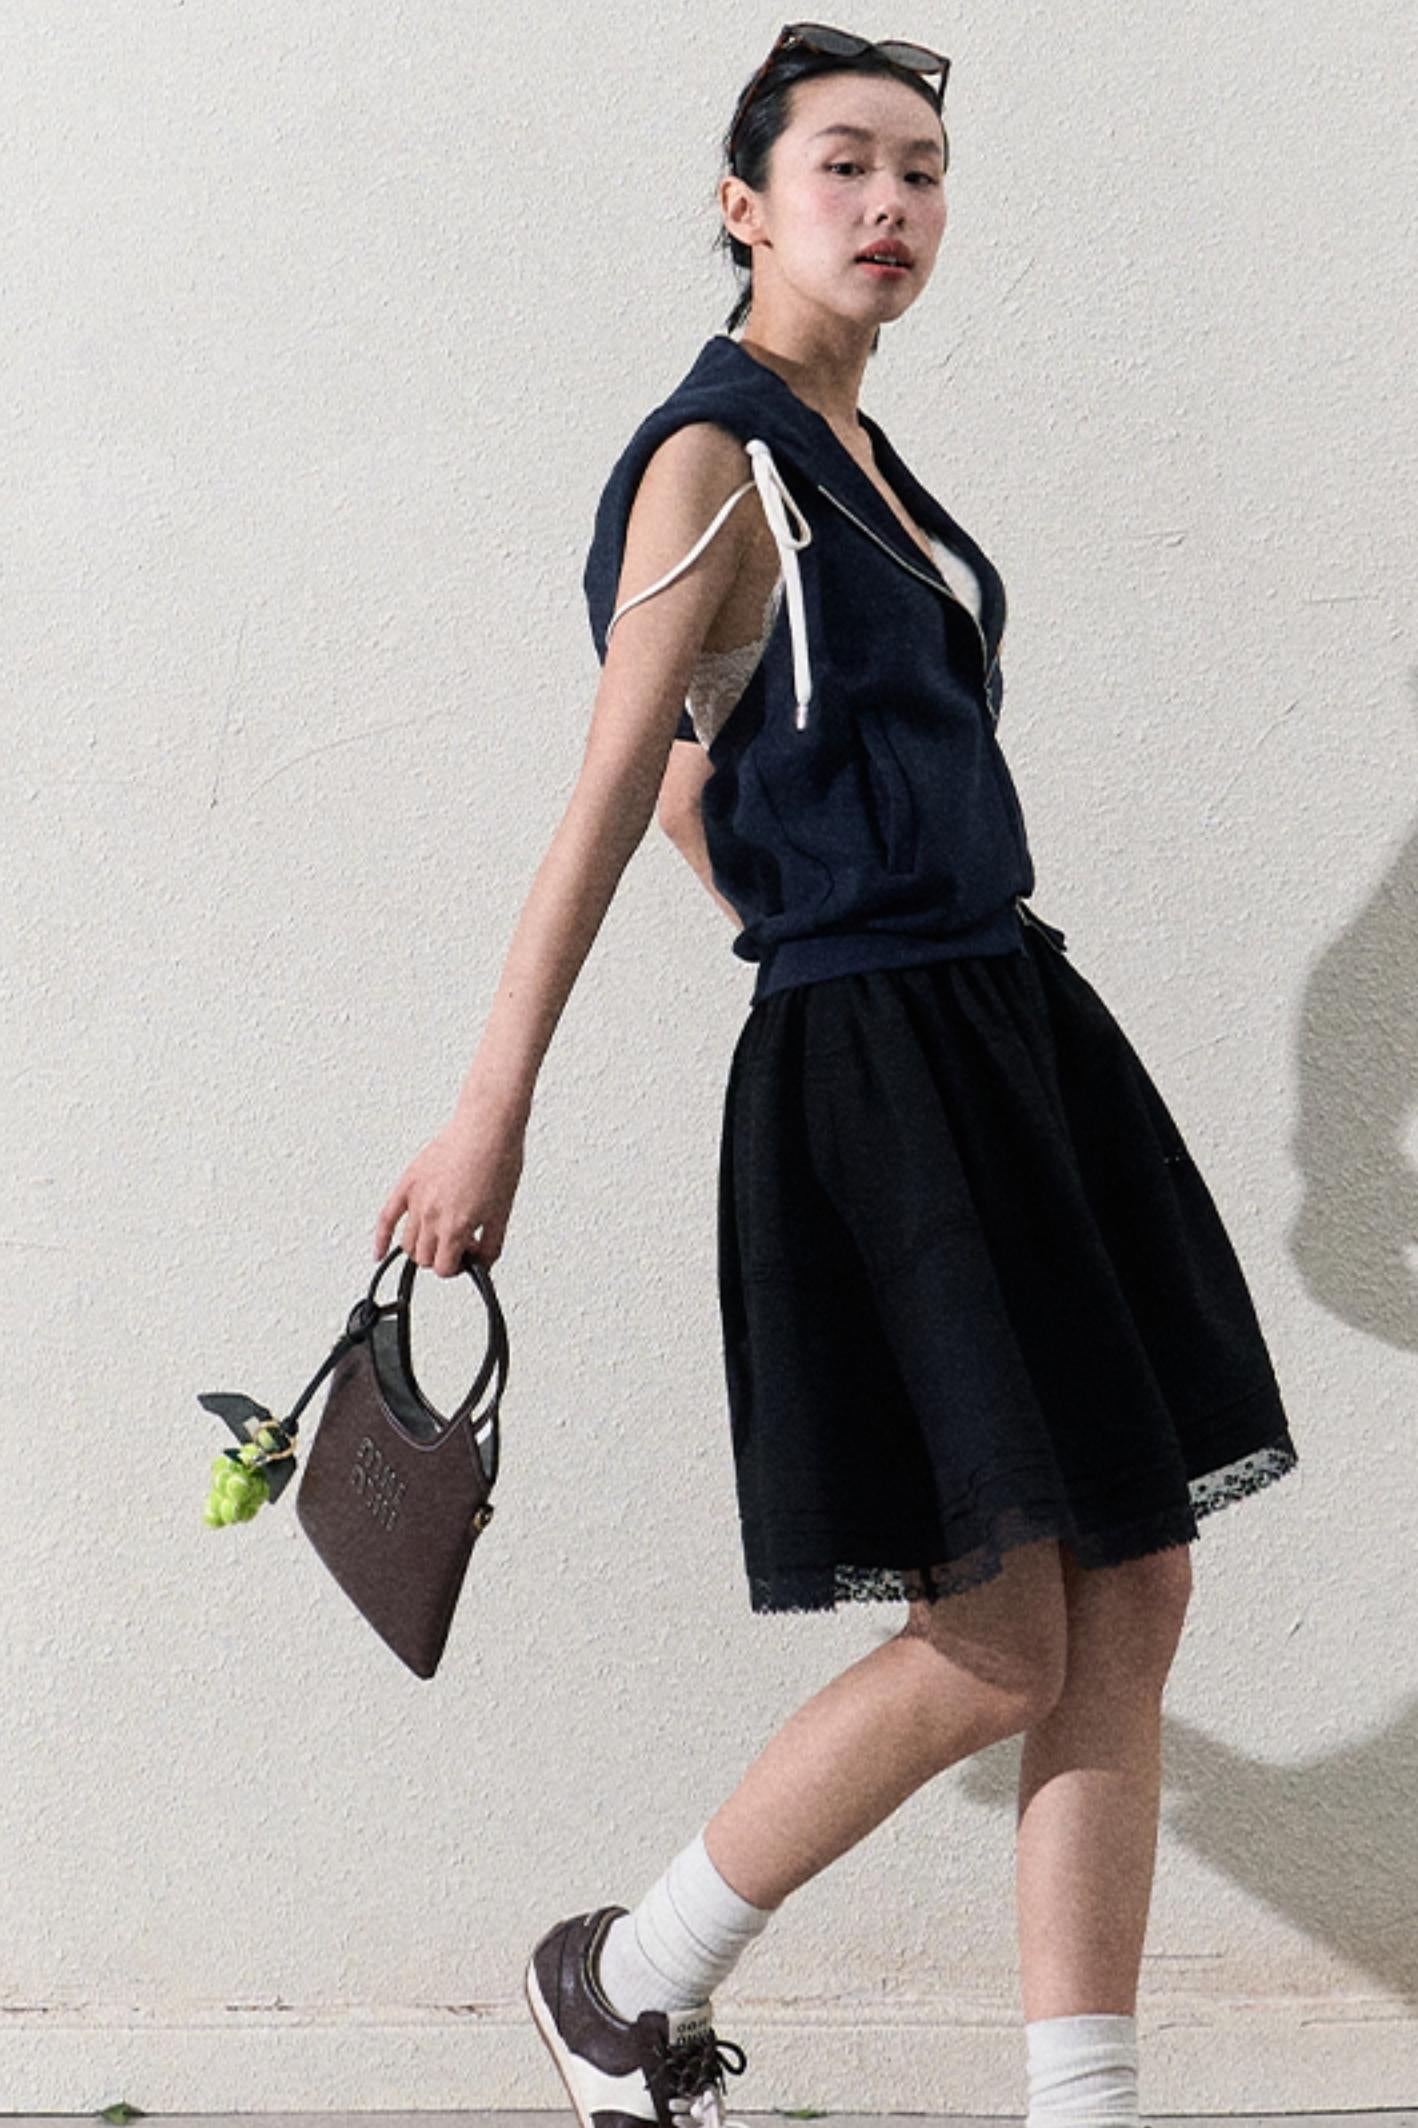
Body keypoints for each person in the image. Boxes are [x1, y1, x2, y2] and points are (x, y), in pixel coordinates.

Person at [372, 24, 1300, 2128]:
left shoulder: (848, 446)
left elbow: (708, 776)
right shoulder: (713, 458)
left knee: (1134, 1584)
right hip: (884, 1070)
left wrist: (807, 885)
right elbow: (611, 786)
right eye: (843, 166)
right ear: (744, 205)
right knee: (993, 1636)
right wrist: (493, 1104)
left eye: (923, 172)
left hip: (1005, 1029)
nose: (890, 204)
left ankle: (1082, 2104)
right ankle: (623, 1977)